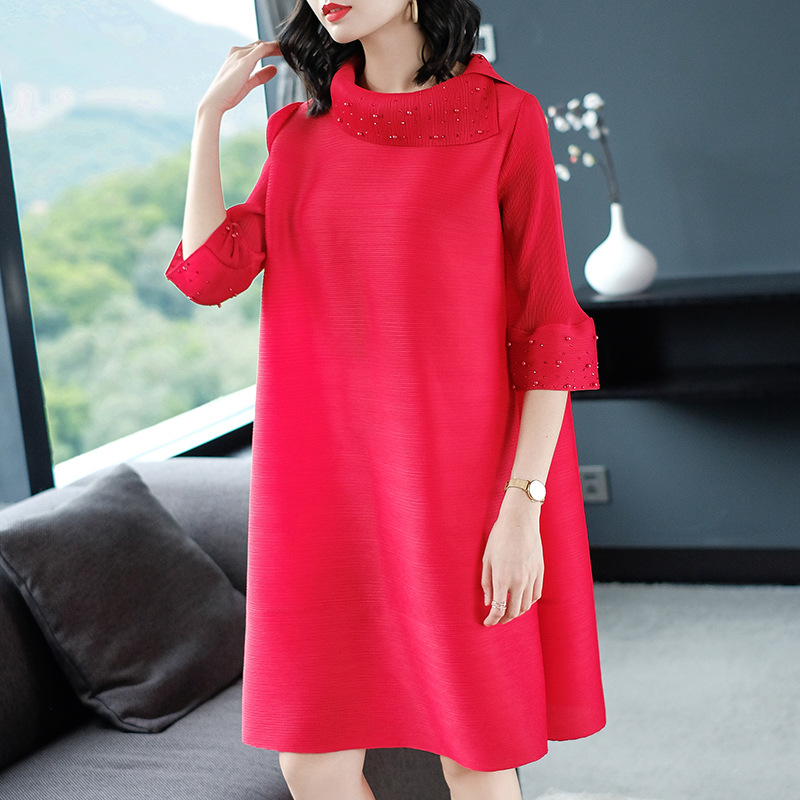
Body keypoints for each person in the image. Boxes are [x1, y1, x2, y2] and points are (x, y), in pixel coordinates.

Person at [167, 1, 605, 797]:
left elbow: (551, 331)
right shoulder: (299, 136)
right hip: (319, 495)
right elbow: (206, 274)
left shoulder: (505, 119)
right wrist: (207, 121)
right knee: (311, 760)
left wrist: (522, 507)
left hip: (459, 487)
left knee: (473, 753)